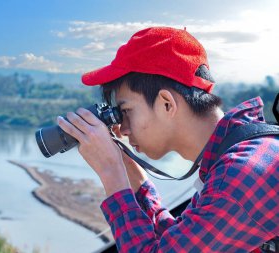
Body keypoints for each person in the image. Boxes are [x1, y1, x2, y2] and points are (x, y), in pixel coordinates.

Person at [57, 27, 279, 252]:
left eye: (126, 111)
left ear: (166, 104)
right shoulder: (242, 156)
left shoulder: (239, 176)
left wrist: (110, 172)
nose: (122, 129)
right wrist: (132, 175)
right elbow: (180, 242)